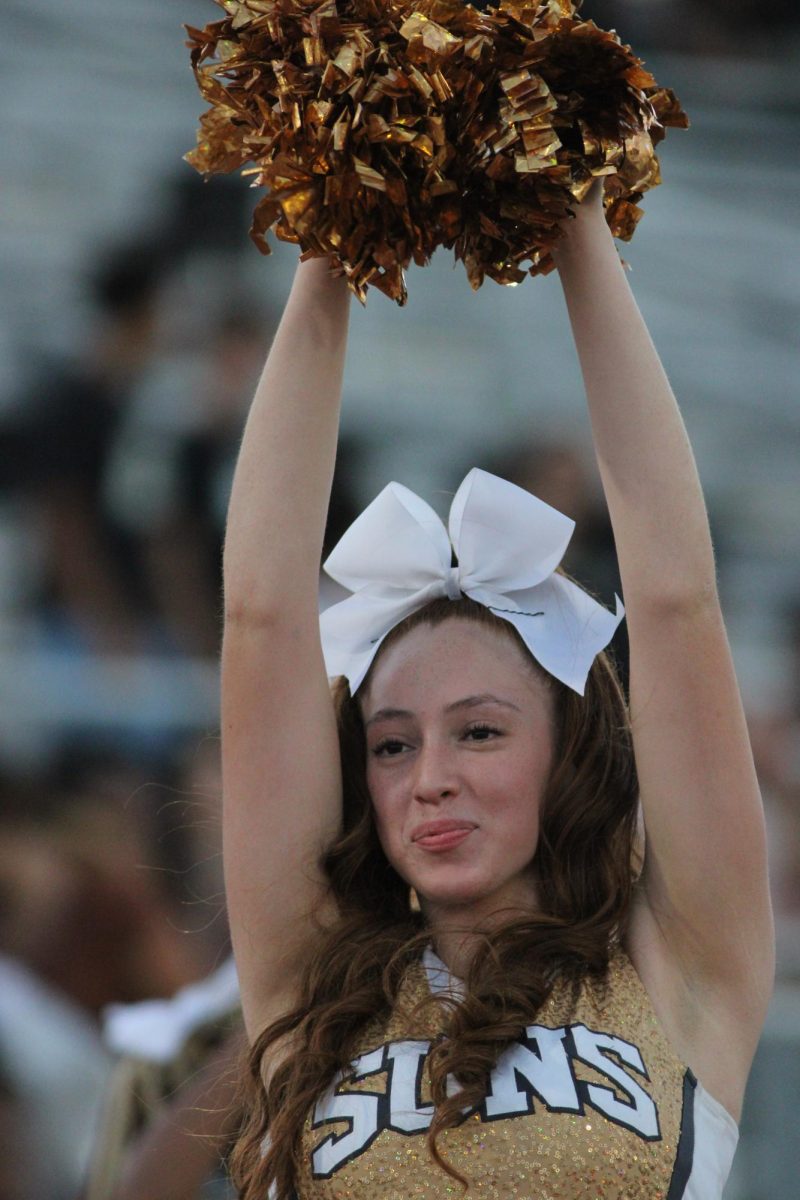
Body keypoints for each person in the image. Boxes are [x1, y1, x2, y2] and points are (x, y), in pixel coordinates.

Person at [219, 183, 774, 1199]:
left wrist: (576, 221)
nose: (428, 778)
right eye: (390, 744)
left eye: (476, 733)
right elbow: (260, 619)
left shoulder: (674, 964)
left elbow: (675, 604)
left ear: (566, 752)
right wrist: (328, 231)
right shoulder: (313, 984)